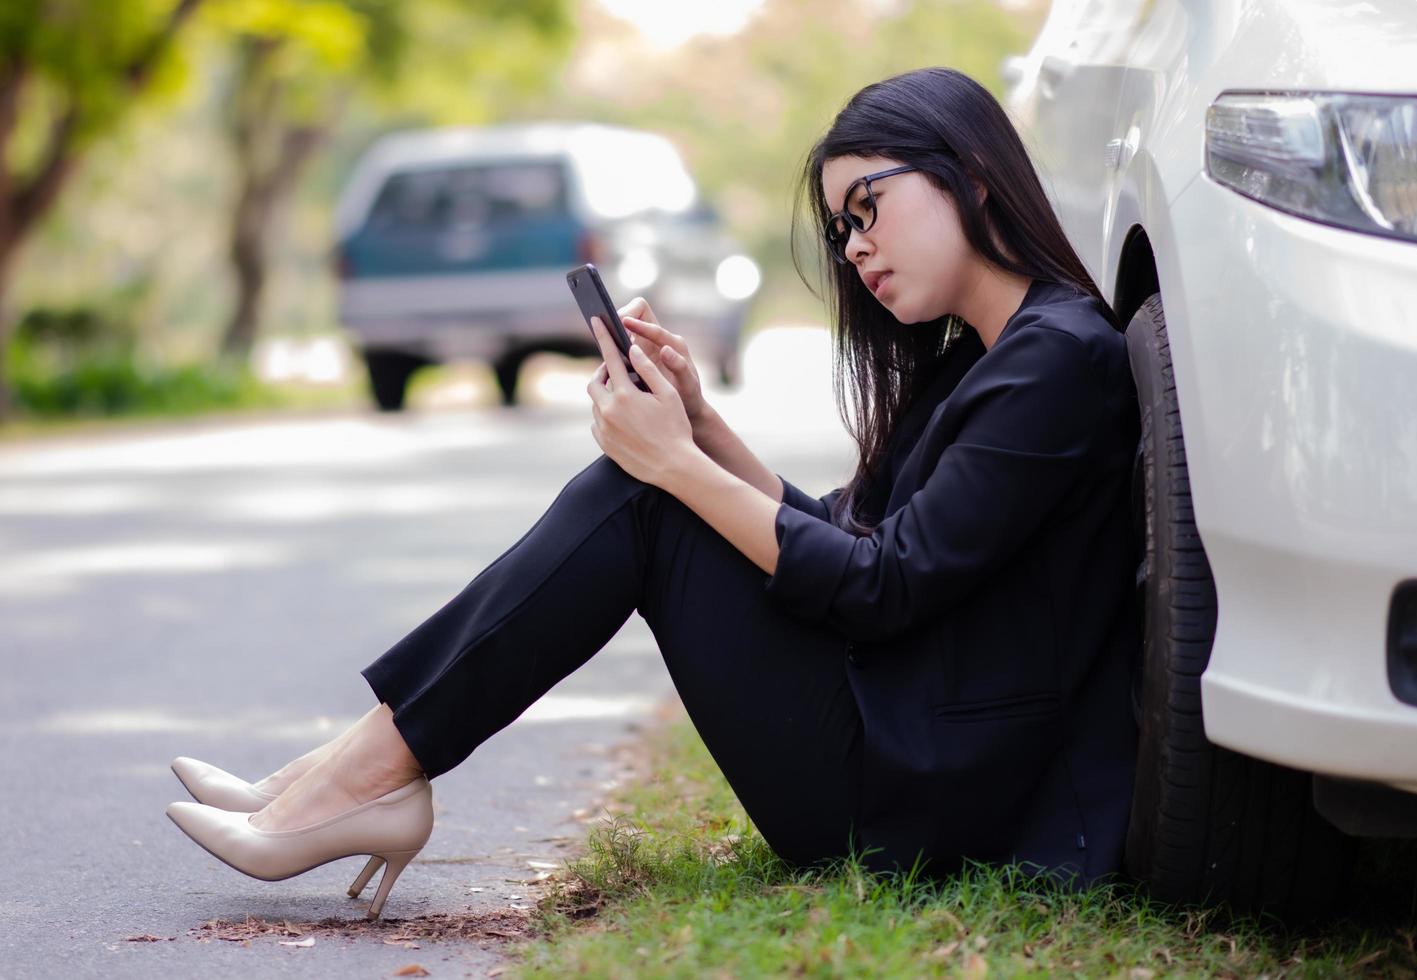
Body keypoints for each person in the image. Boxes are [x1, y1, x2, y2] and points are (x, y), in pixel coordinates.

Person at [165, 66, 1141, 920]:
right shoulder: (993, 358)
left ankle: (361, 777)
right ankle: (346, 772)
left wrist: (676, 464)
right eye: (842, 225)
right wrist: (703, 428)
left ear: (969, 172)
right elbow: (850, 532)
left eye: (868, 207)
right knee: (647, 489)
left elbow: (880, 587)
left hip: (926, 796)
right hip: (909, 752)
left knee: (642, 498)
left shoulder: (1056, 363)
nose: (852, 247)